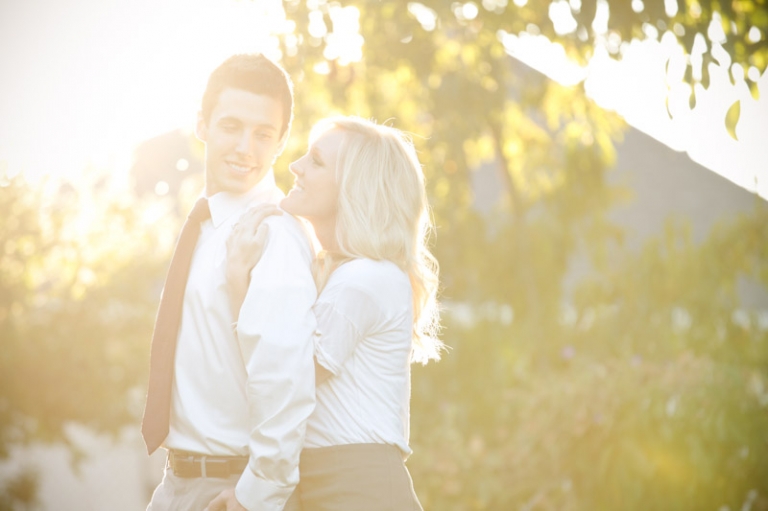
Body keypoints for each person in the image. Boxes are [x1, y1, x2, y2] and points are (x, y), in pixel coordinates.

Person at [226, 116, 443, 510]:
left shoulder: (362, 280)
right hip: (337, 486)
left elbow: (287, 379)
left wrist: (238, 282)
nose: (295, 166)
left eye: (317, 161)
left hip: (357, 490)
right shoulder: (352, 274)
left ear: (354, 189)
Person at [142, 54, 318, 511]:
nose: (246, 148)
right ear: (201, 124)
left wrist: (257, 496)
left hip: (230, 490)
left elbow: (286, 376)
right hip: (177, 483)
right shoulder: (206, 226)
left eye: (263, 135)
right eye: (231, 126)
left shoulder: (271, 234)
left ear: (281, 143)